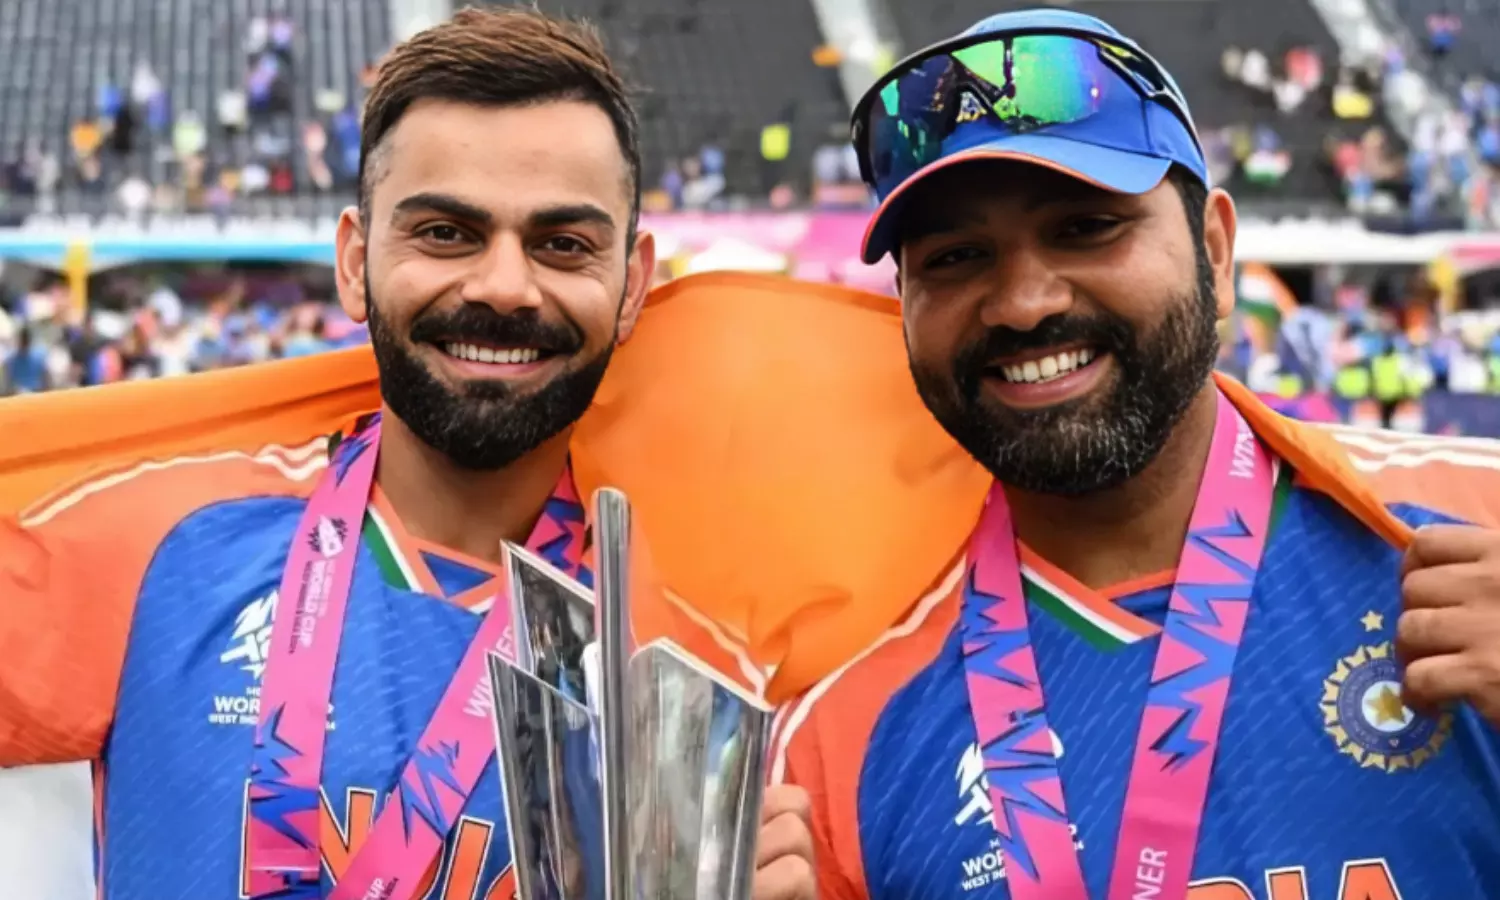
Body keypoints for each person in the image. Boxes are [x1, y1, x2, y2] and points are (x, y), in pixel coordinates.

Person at [0, 9, 813, 900]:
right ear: (355, 262)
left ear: (632, 285)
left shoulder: (702, 679)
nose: (504, 286)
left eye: (562, 245)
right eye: (445, 233)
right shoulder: (154, 543)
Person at [773, 9, 1500, 899]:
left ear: (1215, 253)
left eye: (1086, 227)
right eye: (957, 257)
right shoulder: (832, 742)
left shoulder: (1473, 519)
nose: (1024, 303)